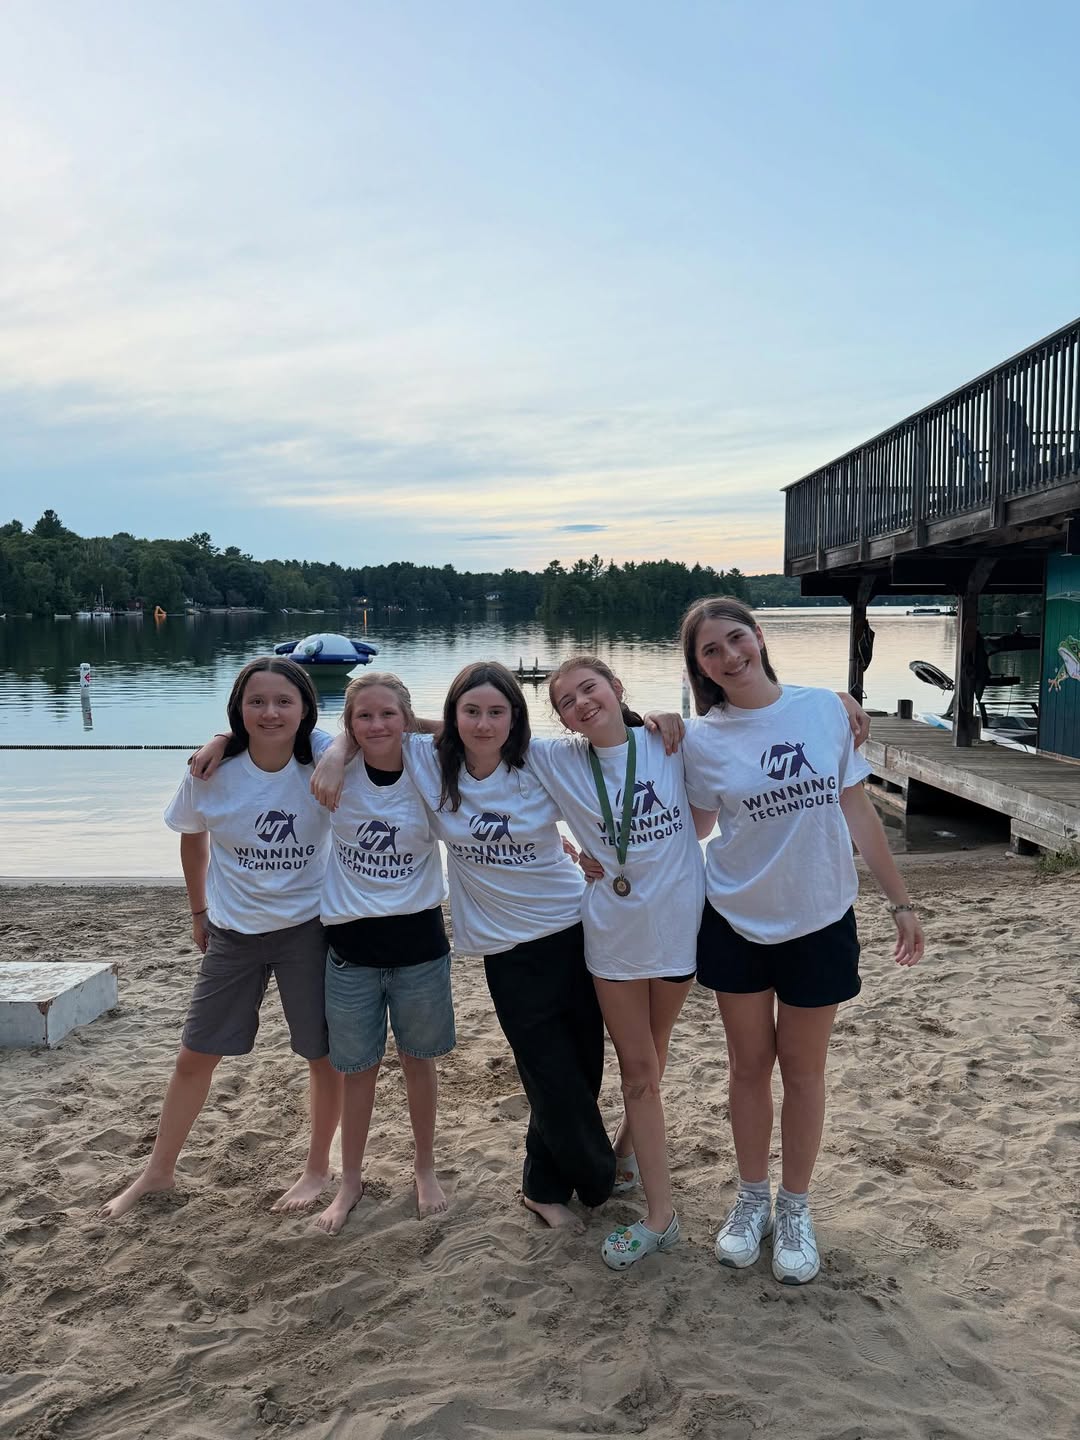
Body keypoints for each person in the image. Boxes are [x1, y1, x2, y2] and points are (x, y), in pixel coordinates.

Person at [314, 661, 616, 1234]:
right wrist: (335, 752)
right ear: (452, 717)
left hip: (573, 925)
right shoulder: (432, 763)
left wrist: (655, 721)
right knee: (545, 1070)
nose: (483, 723)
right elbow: (384, 725)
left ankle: (542, 1186)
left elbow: (610, 754)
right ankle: (595, 1175)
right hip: (504, 944)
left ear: (516, 717)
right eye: (470, 711)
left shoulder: (540, 762)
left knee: (582, 1064)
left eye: (497, 712)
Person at [678, 597, 925, 1285]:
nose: (729, 656)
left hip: (819, 916)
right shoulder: (702, 739)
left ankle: (794, 1207)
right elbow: (692, 829)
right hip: (735, 919)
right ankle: (751, 1198)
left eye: (736, 639)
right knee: (748, 1067)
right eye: (710, 651)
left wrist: (900, 902)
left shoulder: (823, 709)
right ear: (699, 667)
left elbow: (858, 809)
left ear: (759, 636)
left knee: (804, 1070)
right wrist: (655, 733)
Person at [97, 658, 341, 1220]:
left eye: (284, 701)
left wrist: (228, 734)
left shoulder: (325, 759)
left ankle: (317, 1168)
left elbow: (367, 732)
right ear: (238, 709)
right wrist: (198, 910)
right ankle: (158, 1171)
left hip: (309, 928)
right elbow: (192, 836)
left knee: (322, 1056)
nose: (270, 712)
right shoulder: (211, 771)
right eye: (256, 702)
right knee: (195, 1054)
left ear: (306, 708)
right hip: (233, 932)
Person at [534, 656, 703, 1271]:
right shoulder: (557, 760)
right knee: (638, 1069)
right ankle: (661, 1218)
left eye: (590, 688)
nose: (581, 703)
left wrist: (840, 703)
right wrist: (346, 748)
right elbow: (475, 733)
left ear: (616, 688)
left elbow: (748, 727)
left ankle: (629, 1153)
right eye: (566, 701)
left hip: (678, 923)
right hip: (612, 932)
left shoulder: (670, 739)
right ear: (561, 719)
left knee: (653, 1052)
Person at [314, 672, 455, 1233]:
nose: (376, 725)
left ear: (407, 718)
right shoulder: (333, 765)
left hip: (419, 946)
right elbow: (262, 733)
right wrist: (336, 753)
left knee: (419, 1062)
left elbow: (470, 731)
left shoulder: (427, 762)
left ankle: (424, 1169)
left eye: (388, 714)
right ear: (347, 724)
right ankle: (350, 1180)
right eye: (363, 717)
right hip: (351, 952)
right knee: (357, 1071)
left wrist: (402, 727)